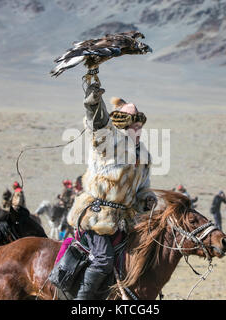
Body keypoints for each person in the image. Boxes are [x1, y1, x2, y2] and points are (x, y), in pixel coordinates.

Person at [66, 81, 156, 300]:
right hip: (98, 215)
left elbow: (143, 187)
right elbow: (98, 124)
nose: (138, 130)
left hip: (126, 218)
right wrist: (93, 103)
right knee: (103, 259)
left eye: (140, 126)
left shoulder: (143, 155)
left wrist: (148, 199)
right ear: (124, 126)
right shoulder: (109, 142)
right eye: (134, 126)